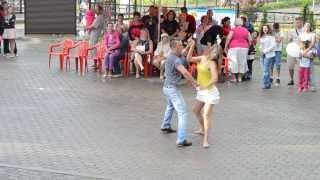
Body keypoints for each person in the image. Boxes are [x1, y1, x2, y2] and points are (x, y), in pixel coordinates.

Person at [160, 38, 198, 148]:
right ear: (175, 47)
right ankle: (181, 140)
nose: (182, 47)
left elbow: (186, 57)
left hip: (167, 88)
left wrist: (190, 46)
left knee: (170, 106)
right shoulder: (175, 59)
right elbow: (185, 73)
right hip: (172, 89)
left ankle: (165, 126)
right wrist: (195, 83)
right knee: (183, 112)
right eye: (181, 45)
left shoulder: (175, 55)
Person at [187, 39, 220, 148]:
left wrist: (204, 86)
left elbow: (215, 78)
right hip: (202, 91)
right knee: (196, 111)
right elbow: (189, 59)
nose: (215, 54)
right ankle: (202, 129)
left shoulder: (212, 64)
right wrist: (192, 46)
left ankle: (205, 140)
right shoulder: (202, 58)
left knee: (206, 115)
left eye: (217, 53)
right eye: (214, 51)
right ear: (210, 50)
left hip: (210, 92)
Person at [224, 18, 251, 82]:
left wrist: (225, 46)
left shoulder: (233, 30)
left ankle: (234, 78)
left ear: (235, 23)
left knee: (233, 62)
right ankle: (240, 78)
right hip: (244, 48)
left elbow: (228, 38)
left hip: (234, 47)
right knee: (242, 61)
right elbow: (250, 40)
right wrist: (248, 46)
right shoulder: (246, 30)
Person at [299, 22, 317, 92]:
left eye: (308, 26)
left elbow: (312, 44)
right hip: (302, 53)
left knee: (311, 70)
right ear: (304, 27)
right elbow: (300, 43)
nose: (307, 27)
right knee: (302, 71)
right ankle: (303, 85)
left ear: (310, 27)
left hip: (309, 52)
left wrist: (306, 52)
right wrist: (301, 52)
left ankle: (312, 85)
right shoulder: (301, 34)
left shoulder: (313, 34)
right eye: (306, 26)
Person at [287, 17, 304, 86]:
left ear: (302, 23)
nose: (298, 24)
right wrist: (289, 39)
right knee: (290, 66)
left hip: (301, 51)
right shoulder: (292, 31)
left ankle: (302, 80)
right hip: (292, 51)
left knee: (301, 66)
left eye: (299, 22)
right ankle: (291, 80)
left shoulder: (304, 30)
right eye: (296, 22)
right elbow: (289, 41)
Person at [259, 25, 276, 89]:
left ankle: (265, 84)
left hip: (269, 55)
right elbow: (260, 45)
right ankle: (268, 84)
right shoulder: (262, 37)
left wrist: (265, 51)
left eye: (266, 28)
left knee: (266, 70)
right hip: (262, 55)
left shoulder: (271, 37)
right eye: (263, 28)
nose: (265, 29)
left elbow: (273, 46)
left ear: (268, 29)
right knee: (265, 70)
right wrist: (260, 50)